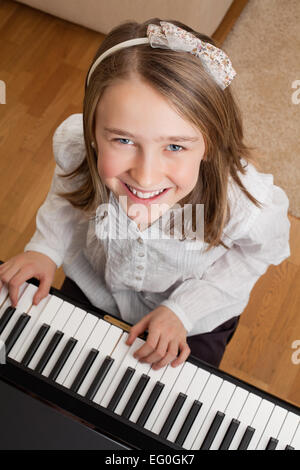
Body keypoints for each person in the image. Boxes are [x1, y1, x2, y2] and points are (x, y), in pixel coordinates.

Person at [0, 19, 290, 370]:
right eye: (123, 140)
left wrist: (184, 311)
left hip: (191, 317)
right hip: (96, 285)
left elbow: (251, 258)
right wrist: (46, 248)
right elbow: (69, 195)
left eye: (174, 146)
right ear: (93, 130)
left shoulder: (247, 202)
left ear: (210, 142)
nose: (145, 175)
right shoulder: (78, 148)